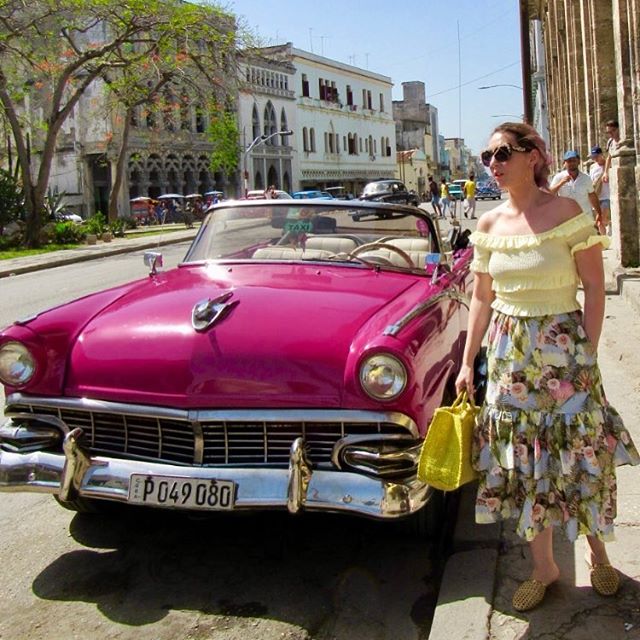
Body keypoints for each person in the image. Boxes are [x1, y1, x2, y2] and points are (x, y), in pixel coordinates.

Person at [456, 121, 639, 613]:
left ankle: (598, 553)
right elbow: (480, 298)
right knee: (522, 461)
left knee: (577, 453)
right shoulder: (490, 224)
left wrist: (590, 350)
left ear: (532, 156)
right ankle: (544, 567)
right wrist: (468, 358)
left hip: (565, 354)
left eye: (501, 154)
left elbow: (595, 289)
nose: (492, 164)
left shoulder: (569, 213)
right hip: (509, 356)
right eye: (487, 156)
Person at [549, 150, 605, 234]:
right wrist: (561, 183)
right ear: (565, 163)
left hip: (585, 218)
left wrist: (599, 213)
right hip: (567, 221)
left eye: (574, 160)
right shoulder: (559, 177)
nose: (571, 163)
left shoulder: (586, 178)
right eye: (569, 161)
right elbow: (549, 194)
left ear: (578, 161)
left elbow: (592, 195)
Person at [589, 146, 610, 235]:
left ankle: (608, 226)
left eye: (597, 156)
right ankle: (604, 239)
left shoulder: (608, 165)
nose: (595, 159)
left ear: (601, 155)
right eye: (594, 157)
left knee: (602, 219)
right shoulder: (592, 167)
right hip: (597, 197)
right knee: (600, 221)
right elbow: (591, 181)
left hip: (606, 196)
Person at [602, 120, 620, 185]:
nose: (611, 134)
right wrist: (605, 172)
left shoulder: (624, 141)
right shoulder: (610, 142)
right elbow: (609, 157)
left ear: (618, 129)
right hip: (614, 172)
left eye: (613, 131)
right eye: (609, 132)